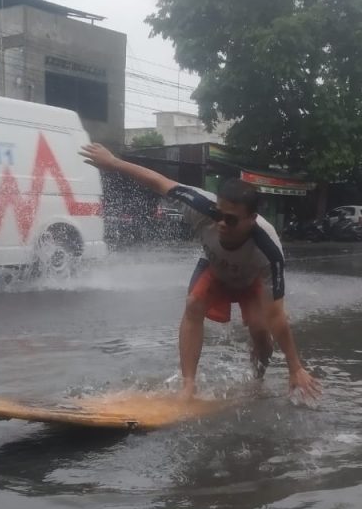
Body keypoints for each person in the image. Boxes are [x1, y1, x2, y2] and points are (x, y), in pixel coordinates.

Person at [79, 143, 322, 401]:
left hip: (251, 281)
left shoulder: (269, 251)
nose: (221, 224)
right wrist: (113, 162)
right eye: (219, 214)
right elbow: (158, 181)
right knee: (193, 303)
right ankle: (188, 385)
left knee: (262, 334)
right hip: (215, 269)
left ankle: (257, 380)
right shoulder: (199, 206)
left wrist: (295, 368)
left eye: (231, 220)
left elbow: (277, 317)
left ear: (252, 219)